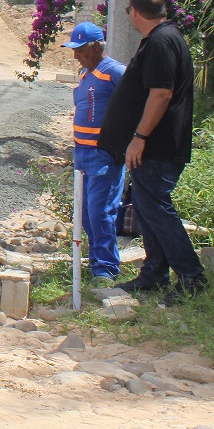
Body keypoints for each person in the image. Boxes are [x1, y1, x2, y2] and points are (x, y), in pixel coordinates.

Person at [99, 0, 209, 301]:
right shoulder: (164, 38)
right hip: (154, 146)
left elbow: (161, 94)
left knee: (156, 208)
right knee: (148, 209)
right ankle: (154, 274)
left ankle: (192, 276)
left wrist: (139, 138)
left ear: (134, 12)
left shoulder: (162, 42)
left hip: (156, 146)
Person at [61, 22, 126, 280]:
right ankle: (95, 261)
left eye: (80, 49)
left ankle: (107, 269)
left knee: (101, 212)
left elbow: (137, 104)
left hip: (103, 155)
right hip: (83, 154)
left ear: (96, 46)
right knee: (87, 214)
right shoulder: (85, 74)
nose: (75, 54)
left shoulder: (115, 72)